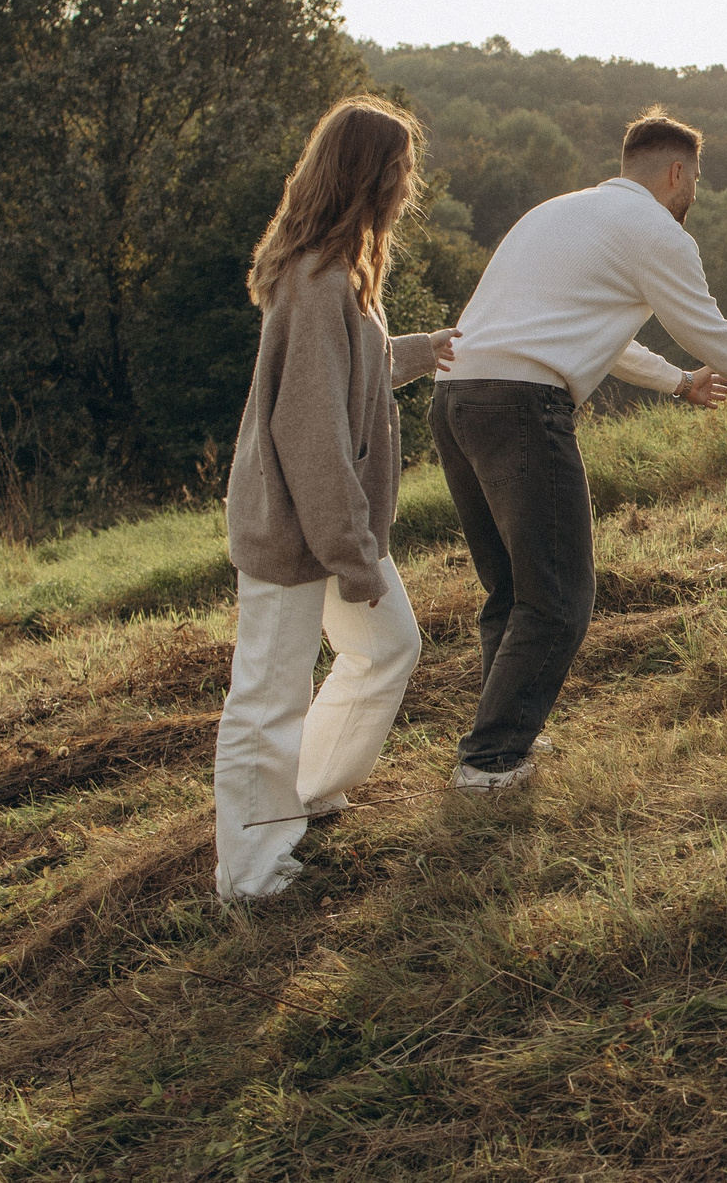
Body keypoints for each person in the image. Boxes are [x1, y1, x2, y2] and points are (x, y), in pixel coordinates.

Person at [431, 107, 727, 790]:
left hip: (454, 398)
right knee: (561, 596)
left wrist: (679, 383)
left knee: (512, 588)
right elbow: (711, 332)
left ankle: (498, 735)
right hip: (520, 405)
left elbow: (601, 334)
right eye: (696, 183)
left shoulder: (557, 215)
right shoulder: (657, 231)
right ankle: (491, 760)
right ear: (677, 172)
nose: (694, 198)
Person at [214, 96, 458, 901]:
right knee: (267, 696)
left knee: (387, 646)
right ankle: (250, 873)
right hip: (296, 529)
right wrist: (352, 553)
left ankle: (308, 789)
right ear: (370, 175)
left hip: (334, 528)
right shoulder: (318, 282)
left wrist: (426, 350)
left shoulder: (341, 270)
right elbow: (312, 434)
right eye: (402, 170)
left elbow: (354, 372)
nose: (409, 185)